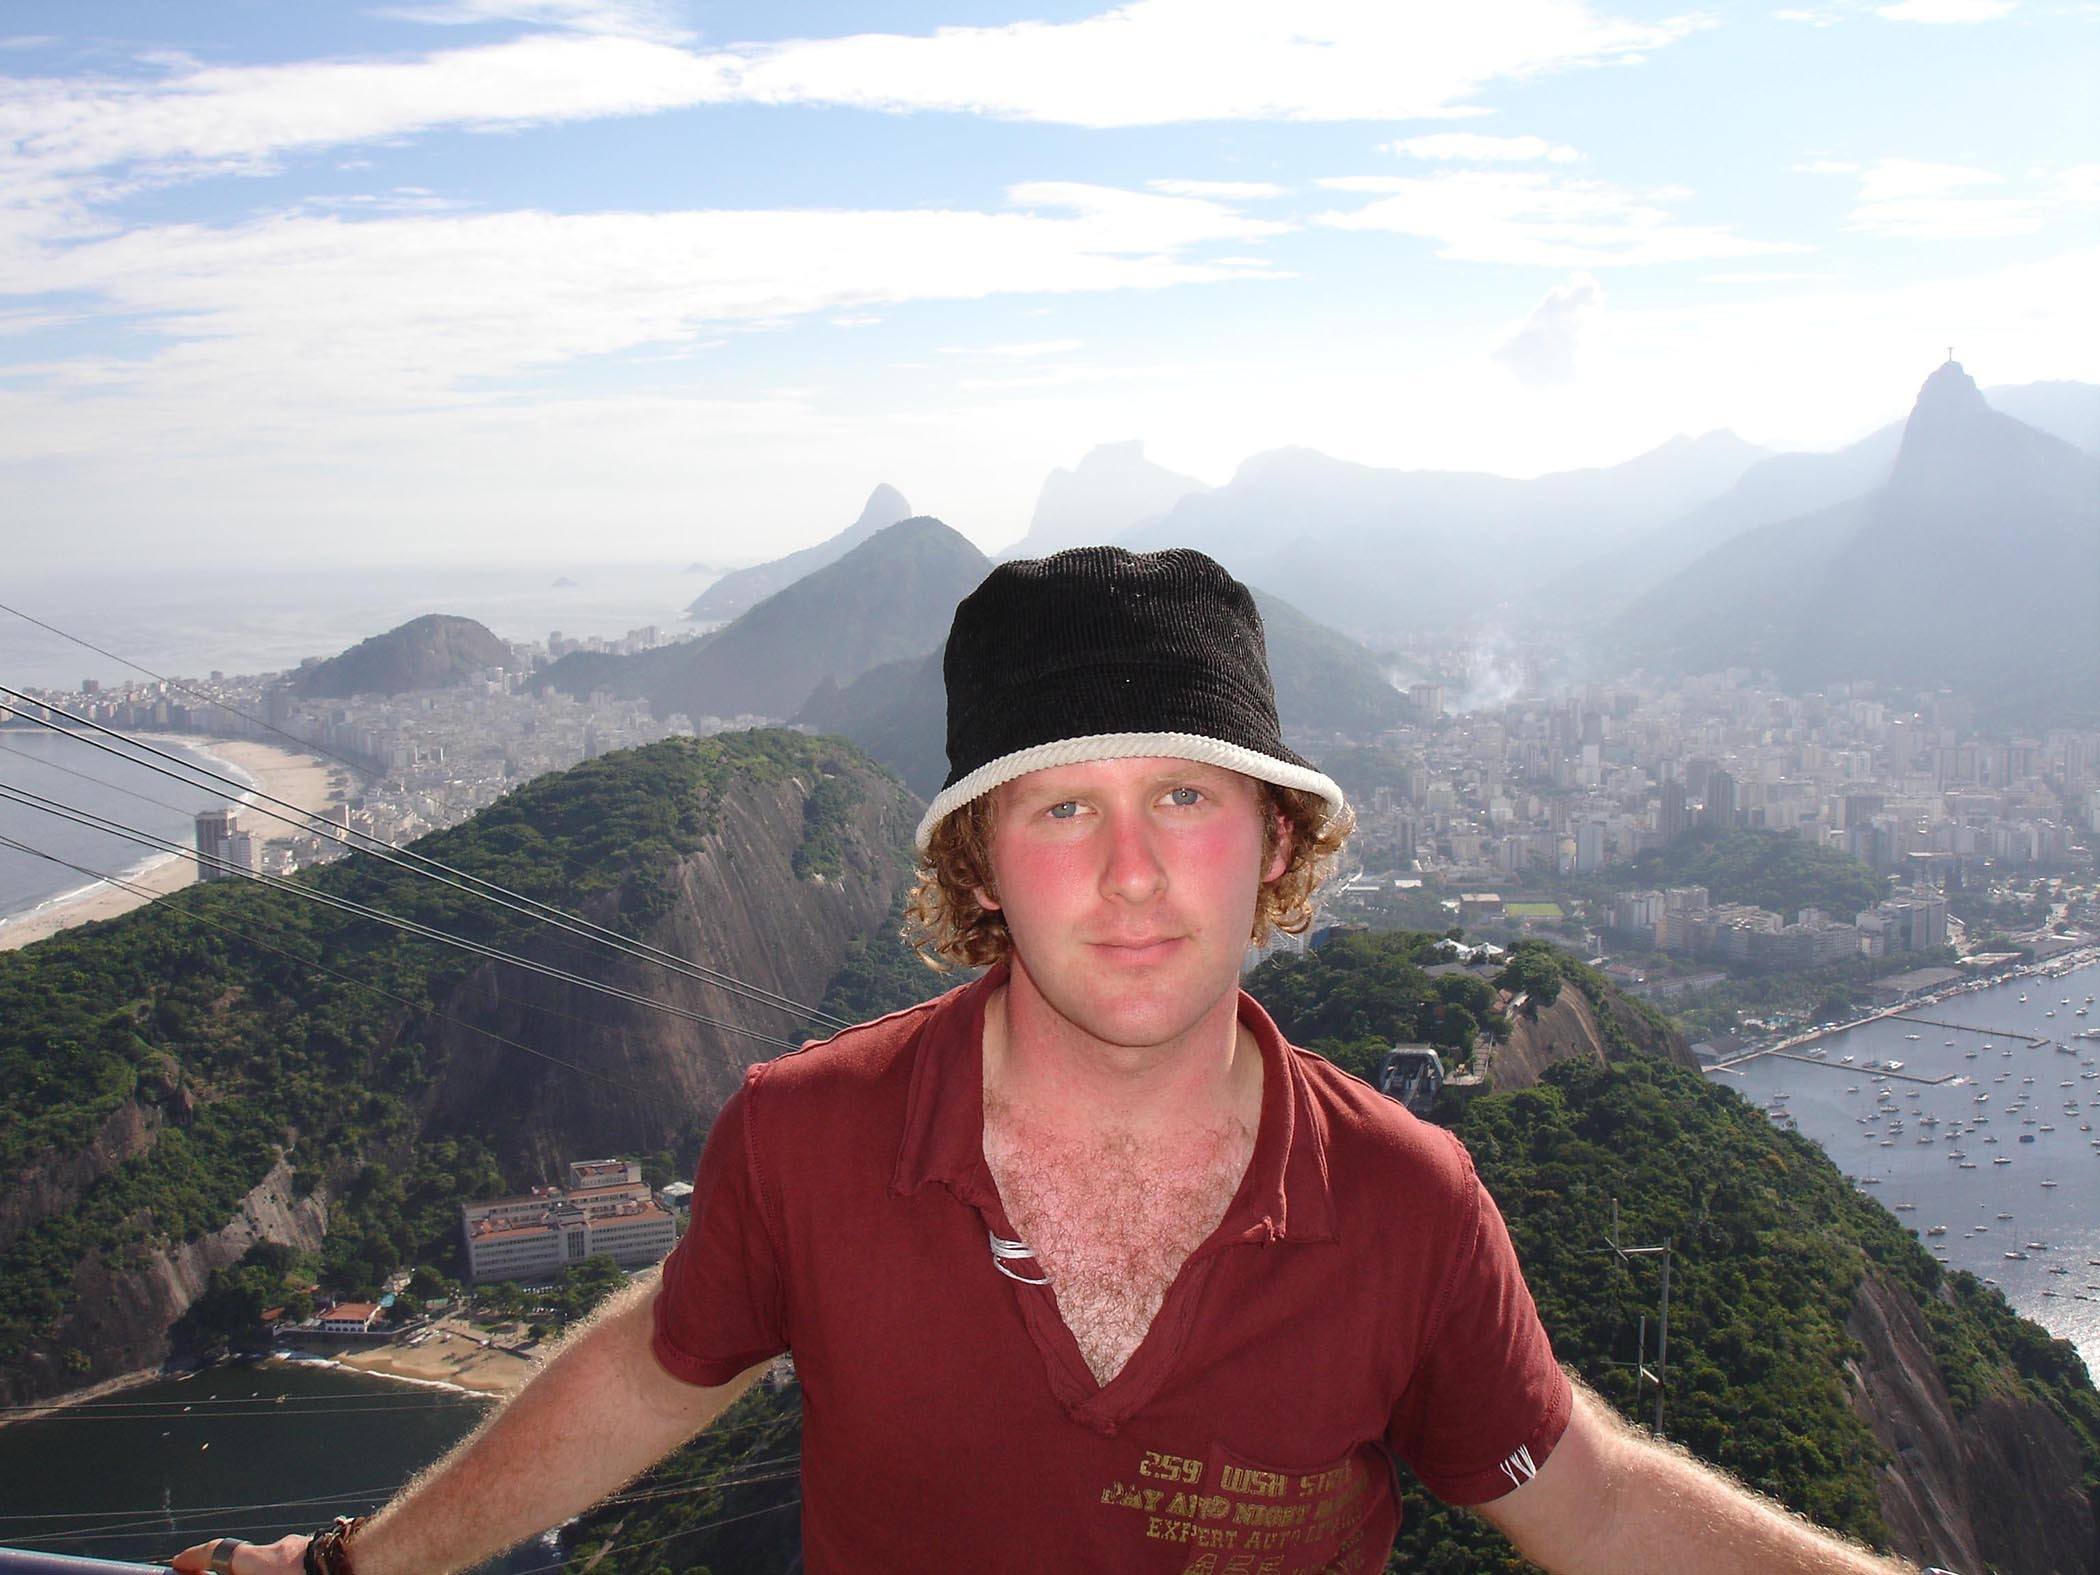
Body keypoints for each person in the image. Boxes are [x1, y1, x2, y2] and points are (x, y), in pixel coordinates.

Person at [176, 548, 1927, 1574]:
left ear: (1276, 849)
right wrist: (344, 1571)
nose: (1138, 871)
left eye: (1188, 797)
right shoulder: (811, 1136)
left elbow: (1596, 1501)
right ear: (976, 869)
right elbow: (654, 1367)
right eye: (1062, 811)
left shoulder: (1403, 1200)